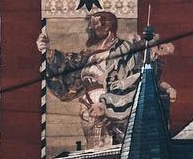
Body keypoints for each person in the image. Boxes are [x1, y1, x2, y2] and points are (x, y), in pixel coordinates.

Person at [37, 11, 174, 148]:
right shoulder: (89, 54)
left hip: (112, 108)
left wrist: (106, 104)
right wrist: (47, 51)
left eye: (94, 26)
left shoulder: (123, 49)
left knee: (112, 150)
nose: (89, 29)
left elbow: (131, 81)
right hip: (87, 109)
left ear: (107, 29)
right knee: (93, 148)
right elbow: (68, 67)